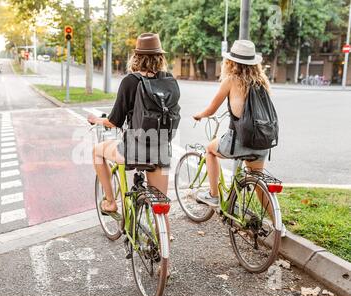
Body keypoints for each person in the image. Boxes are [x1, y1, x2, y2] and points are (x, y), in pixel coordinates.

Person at [88, 33, 172, 214]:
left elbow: (114, 121)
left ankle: (110, 202)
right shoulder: (168, 81)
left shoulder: (130, 81)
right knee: (161, 207)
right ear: (160, 57)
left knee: (97, 151)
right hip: (162, 148)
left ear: (136, 57)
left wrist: (97, 120)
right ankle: (164, 239)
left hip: (134, 149)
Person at [192, 40, 271, 207]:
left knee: (210, 150)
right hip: (262, 141)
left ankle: (213, 195)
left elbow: (211, 109)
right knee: (258, 183)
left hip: (240, 141)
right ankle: (279, 226)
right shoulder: (262, 82)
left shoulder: (231, 80)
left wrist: (199, 115)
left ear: (231, 62)